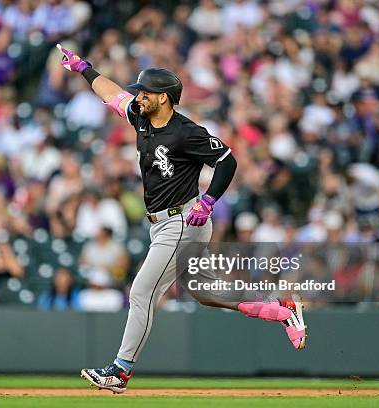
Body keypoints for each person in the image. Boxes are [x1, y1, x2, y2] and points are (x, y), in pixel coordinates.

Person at [56, 44, 307, 394]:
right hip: (163, 223)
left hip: (182, 220)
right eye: (140, 91)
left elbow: (228, 160)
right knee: (205, 292)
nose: (138, 96)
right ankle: (279, 308)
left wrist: (209, 200)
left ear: (164, 98)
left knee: (142, 291)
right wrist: (84, 68)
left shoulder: (186, 131)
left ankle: (120, 370)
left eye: (146, 92)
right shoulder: (141, 118)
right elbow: (112, 94)